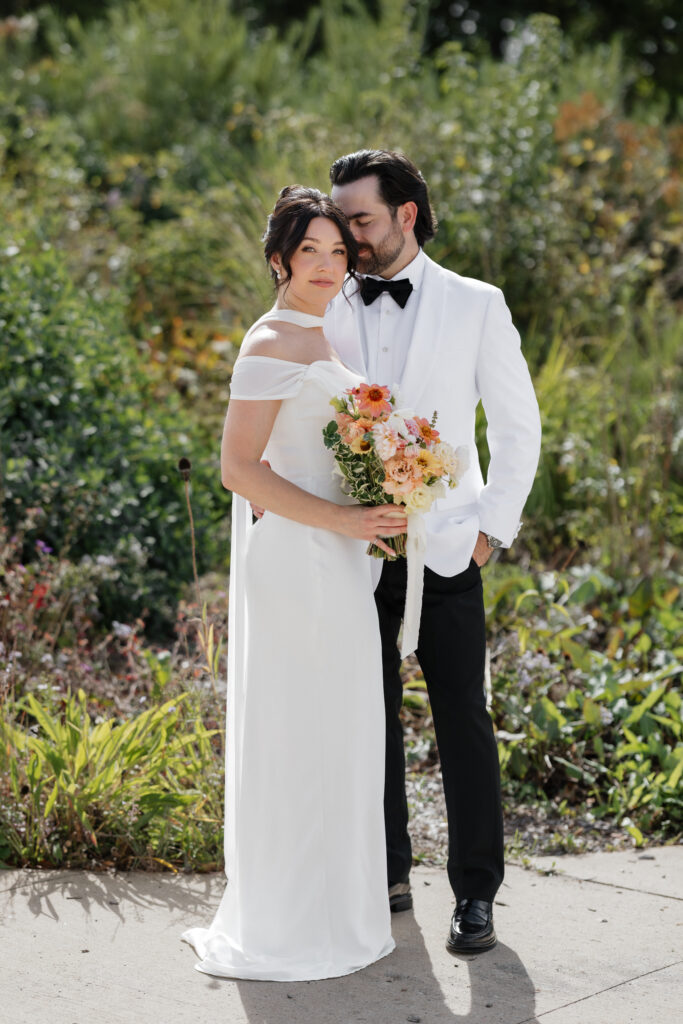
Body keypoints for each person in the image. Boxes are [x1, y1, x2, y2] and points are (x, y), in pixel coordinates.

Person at [180, 185, 406, 981]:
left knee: (338, 731)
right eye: (309, 251)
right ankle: (287, 923)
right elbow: (237, 469)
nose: (324, 265)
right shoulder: (270, 341)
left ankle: (333, 912)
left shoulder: (321, 335)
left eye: (337, 252)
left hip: (338, 561)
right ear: (279, 259)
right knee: (299, 732)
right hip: (299, 562)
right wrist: (345, 521)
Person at [324, 149, 542, 953]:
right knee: (365, 717)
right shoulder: (327, 300)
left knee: (463, 721)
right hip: (352, 553)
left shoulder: (476, 303)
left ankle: (475, 894)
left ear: (405, 214)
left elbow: (519, 427)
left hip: (450, 549)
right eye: (343, 219)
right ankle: (384, 873)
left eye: (361, 219)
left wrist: (491, 529)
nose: (348, 235)